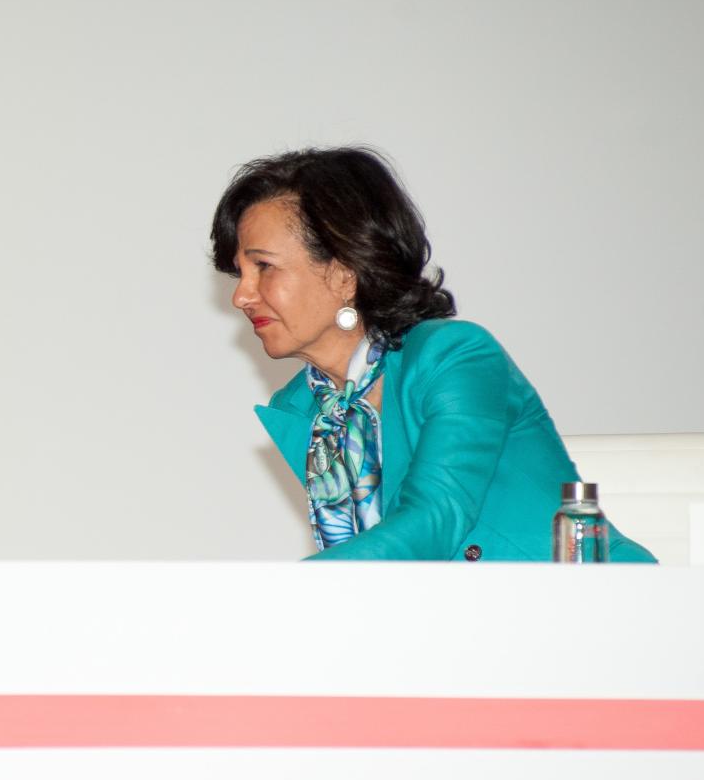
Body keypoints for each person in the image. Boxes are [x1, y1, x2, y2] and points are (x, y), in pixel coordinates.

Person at [210, 147, 652, 562]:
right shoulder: (308, 410)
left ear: (344, 274)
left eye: (263, 267)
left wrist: (266, 590)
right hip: (459, 627)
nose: (242, 296)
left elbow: (434, 521)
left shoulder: (454, 356)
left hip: (598, 615)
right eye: (239, 273)